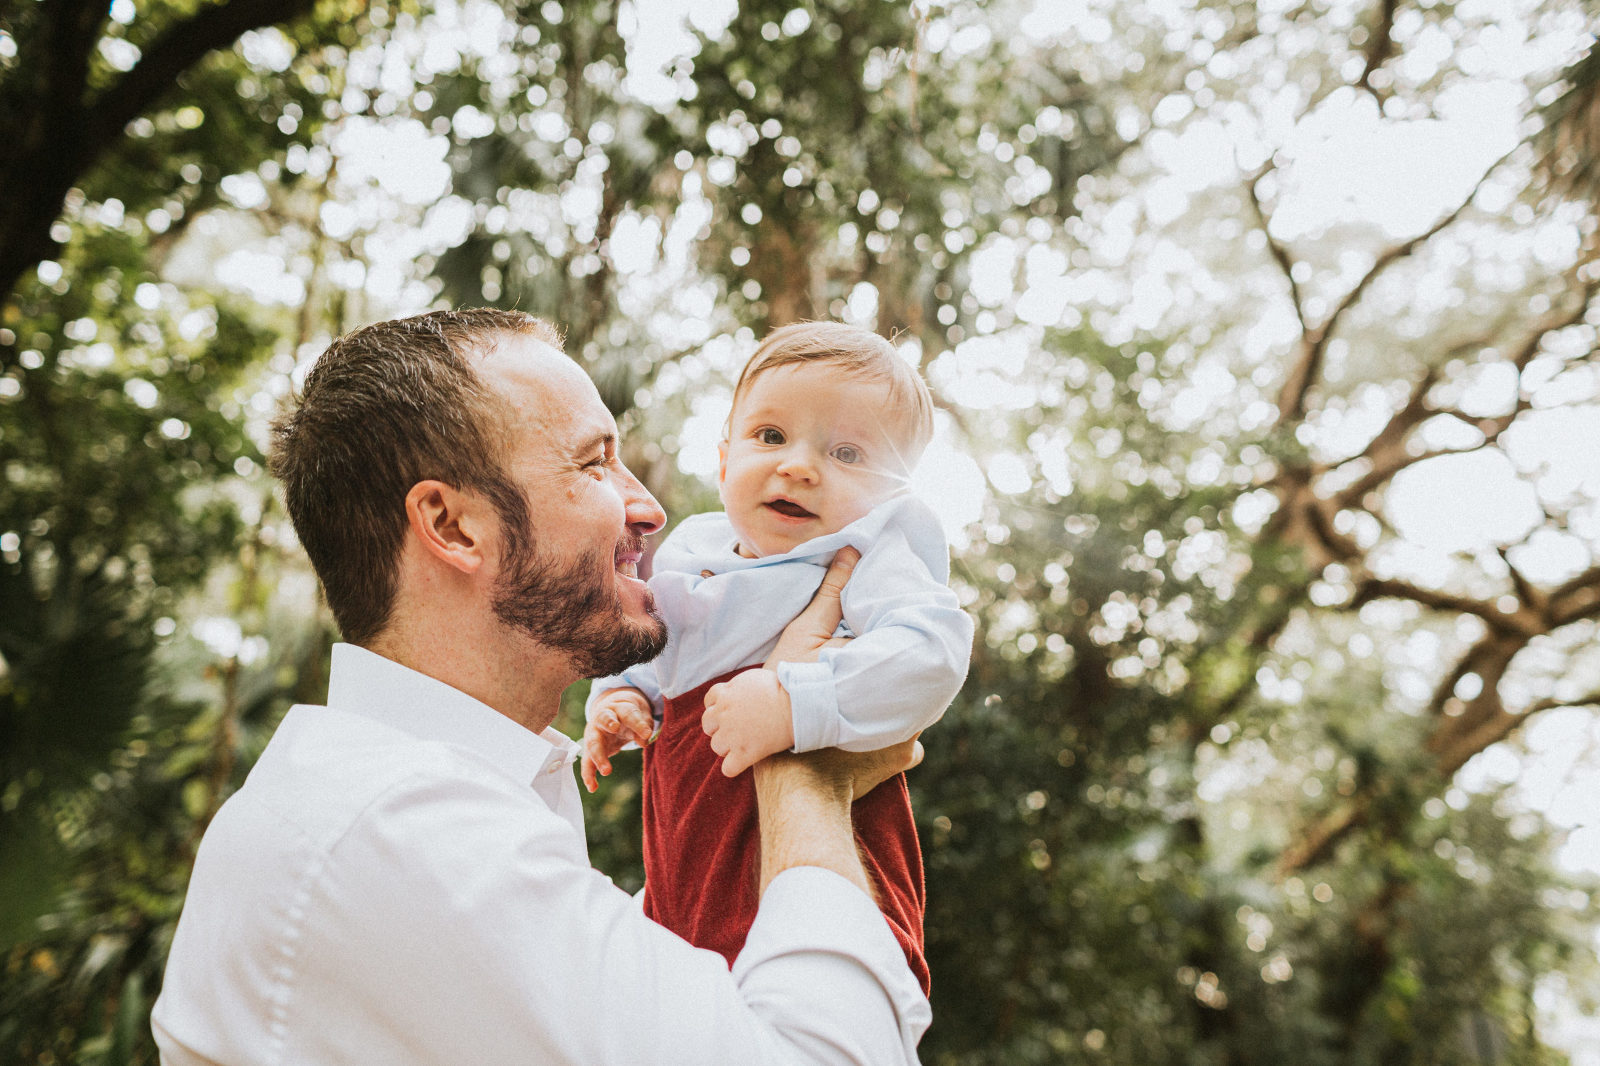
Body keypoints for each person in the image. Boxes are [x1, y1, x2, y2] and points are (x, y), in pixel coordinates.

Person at [149, 309, 930, 1065]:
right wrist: (801, 773)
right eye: (594, 463)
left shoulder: (411, 809)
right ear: (453, 526)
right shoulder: (399, 828)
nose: (651, 510)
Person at [582, 322, 973, 993]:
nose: (799, 465)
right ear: (725, 459)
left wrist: (799, 700)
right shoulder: (693, 556)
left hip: (816, 850)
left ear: (893, 493)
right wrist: (622, 695)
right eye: (770, 436)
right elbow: (658, 638)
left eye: (847, 453)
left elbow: (931, 653)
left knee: (813, 996)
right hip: (688, 864)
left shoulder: (865, 560)